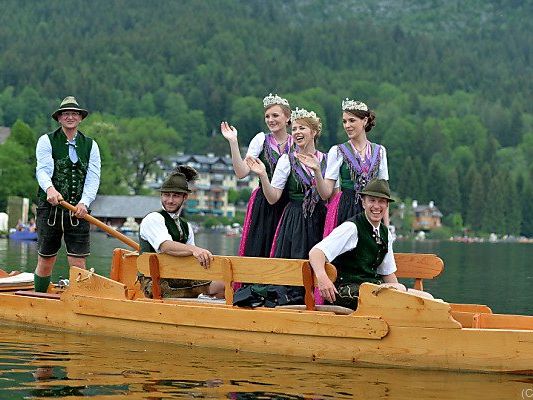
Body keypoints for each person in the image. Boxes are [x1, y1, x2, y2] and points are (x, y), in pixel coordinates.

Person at [308, 179, 432, 310]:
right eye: (372, 200)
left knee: (427, 298)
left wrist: (402, 299)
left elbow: (387, 273)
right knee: (399, 289)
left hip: (373, 290)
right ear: (363, 203)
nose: (376, 206)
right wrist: (322, 278)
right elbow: (316, 253)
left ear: (387, 205)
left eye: (381, 201)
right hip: (346, 292)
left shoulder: (385, 233)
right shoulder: (352, 228)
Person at [34, 96, 101, 293]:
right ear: (59, 118)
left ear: (80, 118)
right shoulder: (46, 141)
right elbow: (42, 170)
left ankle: (78, 303)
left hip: (78, 210)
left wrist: (85, 202)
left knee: (78, 263)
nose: (70, 117)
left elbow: (93, 177)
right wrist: (50, 189)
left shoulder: (91, 145)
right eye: (66, 114)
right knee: (46, 259)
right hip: (50, 208)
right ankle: (39, 298)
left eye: (74, 113)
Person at [247, 107, 327, 260]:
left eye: (302, 128)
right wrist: (263, 175)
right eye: (294, 128)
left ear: (314, 132)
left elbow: (331, 196)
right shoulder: (286, 160)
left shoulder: (327, 159)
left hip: (320, 220)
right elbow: (273, 198)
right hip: (294, 221)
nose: (296, 132)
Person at [220, 93, 293, 258]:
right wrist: (233, 142)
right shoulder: (261, 140)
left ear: (287, 117)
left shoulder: (296, 143)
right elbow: (241, 172)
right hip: (263, 204)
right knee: (259, 248)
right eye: (267, 116)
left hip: (289, 203)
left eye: (275, 115)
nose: (270, 120)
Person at [138, 166, 224, 299]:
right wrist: (194, 249)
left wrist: (196, 253)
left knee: (226, 285)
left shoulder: (186, 226)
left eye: (176, 196)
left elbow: (189, 256)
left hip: (179, 277)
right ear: (161, 195)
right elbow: (165, 247)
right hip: (154, 283)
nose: (170, 200)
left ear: (185, 197)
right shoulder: (153, 218)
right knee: (219, 287)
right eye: (166, 195)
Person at [315, 98, 389, 236]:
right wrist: (317, 171)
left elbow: (384, 193)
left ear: (365, 121)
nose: (347, 125)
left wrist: (386, 228)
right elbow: (326, 193)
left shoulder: (380, 151)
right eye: (344, 121)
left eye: (352, 120)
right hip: (346, 210)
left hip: (372, 209)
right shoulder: (337, 151)